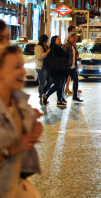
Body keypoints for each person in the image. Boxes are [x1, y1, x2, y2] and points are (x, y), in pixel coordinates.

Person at [0, 46, 43, 197]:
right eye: (17, 67)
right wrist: (12, 149)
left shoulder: (20, 106)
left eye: (23, 67)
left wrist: (32, 130)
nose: (23, 72)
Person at [43, 36, 69, 107]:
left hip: (61, 68)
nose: (60, 40)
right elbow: (65, 55)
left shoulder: (59, 48)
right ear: (54, 41)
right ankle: (46, 96)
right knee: (58, 84)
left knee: (61, 84)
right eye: (58, 39)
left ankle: (59, 100)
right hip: (55, 69)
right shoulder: (54, 48)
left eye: (60, 39)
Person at [63, 33, 83, 103]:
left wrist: (76, 67)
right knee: (64, 82)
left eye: (74, 37)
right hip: (67, 67)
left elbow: (74, 57)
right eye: (72, 37)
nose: (73, 38)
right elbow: (63, 57)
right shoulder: (66, 46)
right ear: (68, 38)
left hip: (73, 67)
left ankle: (75, 96)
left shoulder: (73, 46)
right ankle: (61, 97)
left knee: (76, 81)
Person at [34, 34, 52, 103]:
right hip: (41, 67)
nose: (47, 42)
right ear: (43, 40)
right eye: (46, 41)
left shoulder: (46, 46)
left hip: (47, 67)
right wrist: (48, 51)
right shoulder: (38, 47)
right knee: (42, 82)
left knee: (51, 81)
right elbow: (40, 56)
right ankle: (42, 96)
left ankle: (43, 93)